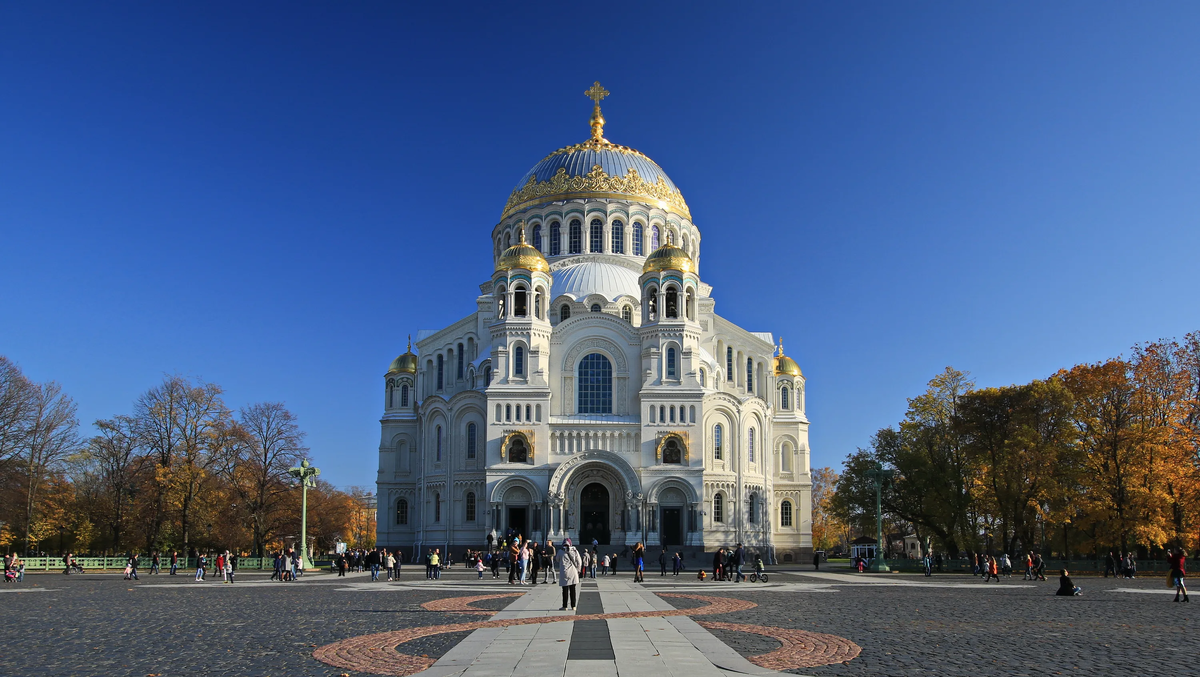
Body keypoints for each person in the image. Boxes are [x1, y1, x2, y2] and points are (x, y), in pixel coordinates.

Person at [555, 538, 582, 611]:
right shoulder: (575, 551)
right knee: (573, 590)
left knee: (565, 590)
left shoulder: (560, 551)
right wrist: (578, 570)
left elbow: (557, 559)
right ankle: (573, 606)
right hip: (573, 572)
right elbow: (579, 561)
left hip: (564, 573)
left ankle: (565, 606)